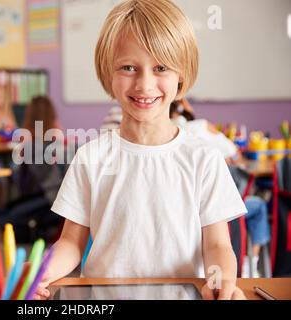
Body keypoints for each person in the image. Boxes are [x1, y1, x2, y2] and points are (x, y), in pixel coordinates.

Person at [35, 0, 247, 300]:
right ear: (109, 74)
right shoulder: (91, 158)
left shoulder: (204, 158)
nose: (145, 84)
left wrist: (222, 281)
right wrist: (42, 272)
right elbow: (71, 242)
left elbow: (217, 245)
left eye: (161, 67)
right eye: (128, 67)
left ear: (181, 75)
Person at [170, 100, 271, 277]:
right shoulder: (201, 126)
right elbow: (234, 152)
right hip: (227, 208)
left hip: (185, 213)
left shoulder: (162, 136)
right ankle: (252, 265)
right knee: (259, 206)